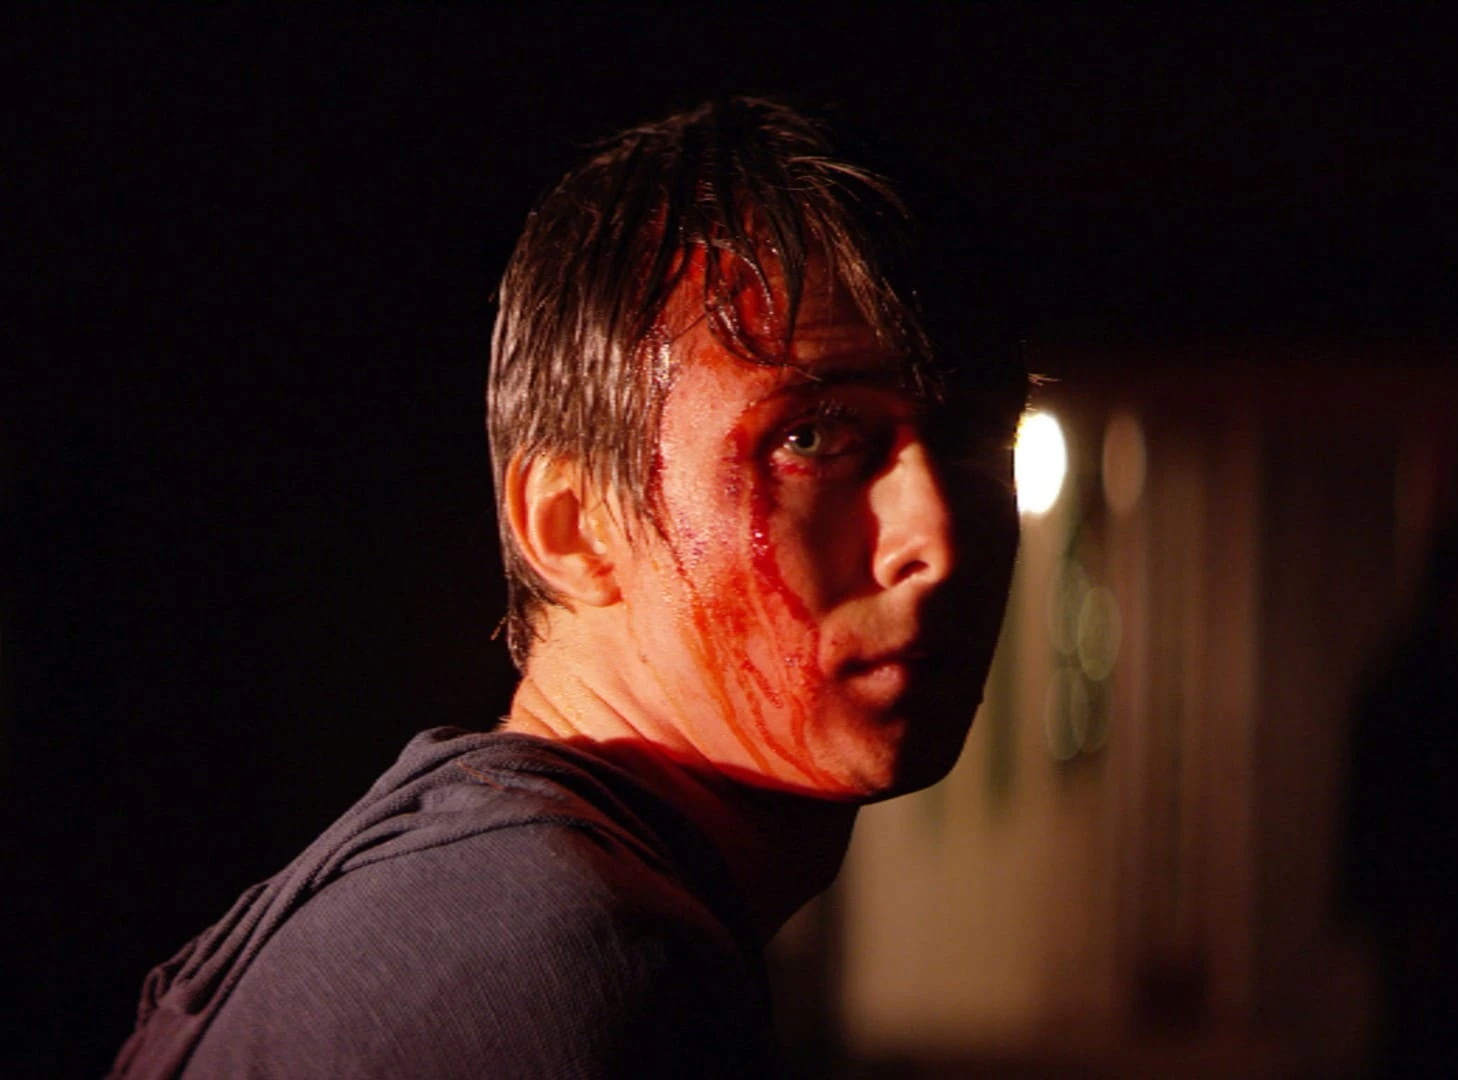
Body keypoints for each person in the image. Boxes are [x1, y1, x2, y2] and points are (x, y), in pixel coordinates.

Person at [112, 97, 1027, 1078]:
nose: (935, 538)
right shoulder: (569, 967)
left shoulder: (486, 896)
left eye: (977, 438)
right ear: (571, 522)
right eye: (809, 437)